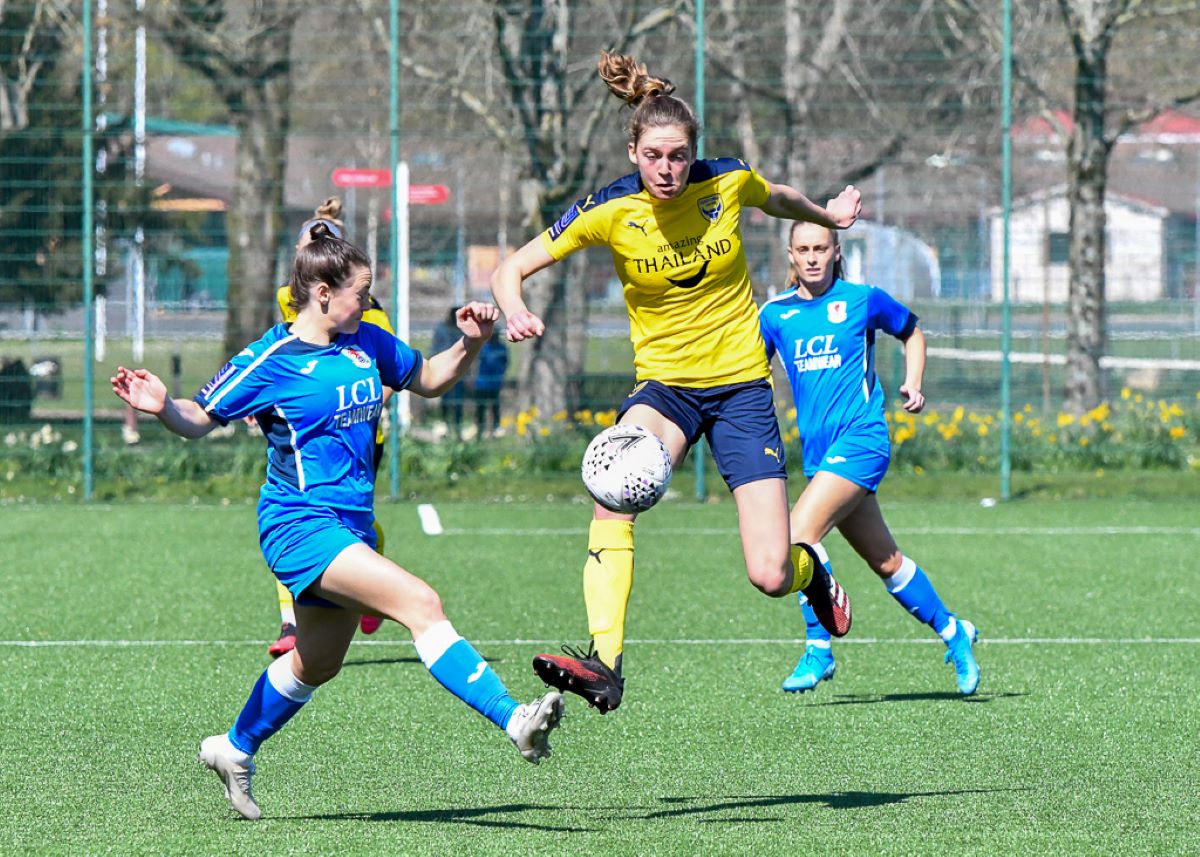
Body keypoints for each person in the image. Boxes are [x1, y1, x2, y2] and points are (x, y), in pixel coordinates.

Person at [112, 225, 565, 821]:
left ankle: (234, 747)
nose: (369, 303)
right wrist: (163, 408)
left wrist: (472, 344)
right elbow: (200, 416)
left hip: (348, 527)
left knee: (318, 662)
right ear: (322, 292)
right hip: (298, 523)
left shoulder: (366, 342)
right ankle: (514, 720)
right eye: (361, 292)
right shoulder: (271, 359)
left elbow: (428, 379)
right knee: (420, 603)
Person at [491, 50, 860, 714]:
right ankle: (605, 663)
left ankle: (814, 573)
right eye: (655, 154)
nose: (667, 168)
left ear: (694, 153)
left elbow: (778, 198)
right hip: (665, 389)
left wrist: (828, 218)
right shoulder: (609, 209)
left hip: (743, 388)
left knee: (770, 571)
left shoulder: (727, 184)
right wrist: (514, 307)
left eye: (679, 155)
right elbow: (510, 267)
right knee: (612, 487)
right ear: (633, 148)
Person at [759, 221, 980, 695]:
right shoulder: (775, 315)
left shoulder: (862, 299)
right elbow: (749, 374)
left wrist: (914, 382)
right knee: (887, 562)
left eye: (822, 247)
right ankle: (953, 631)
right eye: (804, 249)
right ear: (791, 255)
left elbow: (913, 331)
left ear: (837, 251)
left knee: (798, 534)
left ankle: (819, 649)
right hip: (820, 458)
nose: (813, 257)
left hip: (863, 439)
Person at [268, 198, 392, 656]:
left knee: (356, 520)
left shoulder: (368, 315)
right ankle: (289, 624)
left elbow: (390, 371)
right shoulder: (293, 298)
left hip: (360, 439)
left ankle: (370, 570)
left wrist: (362, 400)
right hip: (305, 437)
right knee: (298, 515)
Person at [431, 306, 466, 434]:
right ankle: (445, 423)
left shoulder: (462, 330)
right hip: (442, 368)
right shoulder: (442, 329)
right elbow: (435, 348)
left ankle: (458, 427)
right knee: (445, 398)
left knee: (458, 401)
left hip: (459, 371)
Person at [470, 328, 509, 436]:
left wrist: (501, 376)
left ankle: (496, 429)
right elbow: (474, 362)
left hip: (495, 383)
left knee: (495, 407)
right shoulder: (483, 347)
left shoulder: (502, 348)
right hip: (482, 383)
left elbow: (506, 363)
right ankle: (479, 428)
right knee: (480, 407)